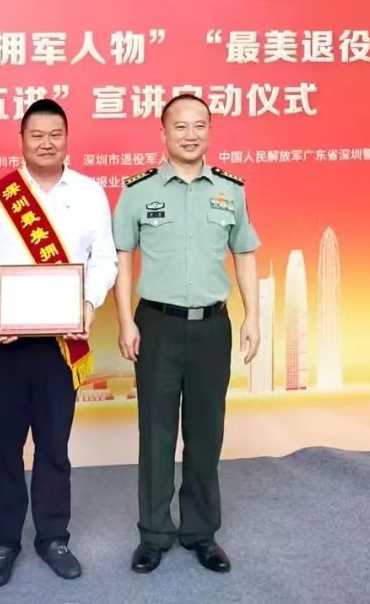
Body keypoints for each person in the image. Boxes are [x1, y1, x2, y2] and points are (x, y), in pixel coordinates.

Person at [0, 98, 118, 587]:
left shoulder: (89, 193)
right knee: (5, 446)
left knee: (53, 446)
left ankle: (53, 537)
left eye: (55, 134)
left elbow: (105, 260)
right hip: (4, 343)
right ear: (21, 140)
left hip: (61, 345)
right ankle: (4, 541)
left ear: (67, 138)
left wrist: (88, 303)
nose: (46, 143)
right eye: (36, 135)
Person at [111, 93, 260, 575]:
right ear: (163, 132)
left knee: (205, 433)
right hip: (156, 325)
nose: (190, 134)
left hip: (213, 327)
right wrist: (125, 320)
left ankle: (201, 532)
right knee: (155, 434)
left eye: (199, 125)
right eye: (180, 126)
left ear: (209, 131)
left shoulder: (231, 190)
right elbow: (122, 257)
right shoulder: (137, 191)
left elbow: (245, 254)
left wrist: (253, 317)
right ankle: (154, 534)